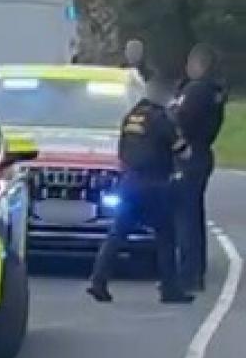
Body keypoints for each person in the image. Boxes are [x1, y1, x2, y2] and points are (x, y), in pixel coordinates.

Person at [87, 87, 194, 304]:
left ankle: (98, 280)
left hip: (129, 182)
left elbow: (121, 151)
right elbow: (183, 151)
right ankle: (170, 289)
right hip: (155, 184)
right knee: (166, 236)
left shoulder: (130, 118)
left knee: (117, 233)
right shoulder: (162, 119)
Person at [171, 43, 227, 292]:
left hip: (189, 155)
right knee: (194, 215)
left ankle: (188, 273)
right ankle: (195, 271)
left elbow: (180, 118)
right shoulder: (215, 92)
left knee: (185, 218)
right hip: (203, 154)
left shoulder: (196, 91)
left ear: (199, 65)